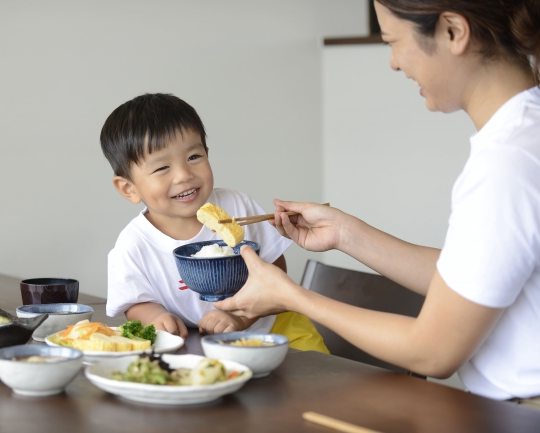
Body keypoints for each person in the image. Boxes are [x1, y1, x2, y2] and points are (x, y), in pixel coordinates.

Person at [215, 0, 540, 407]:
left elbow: (432, 352)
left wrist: (292, 296)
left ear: (453, 31)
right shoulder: (523, 137)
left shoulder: (509, 161)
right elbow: (473, 278)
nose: (393, 62)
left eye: (394, 41)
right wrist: (346, 234)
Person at [99, 93, 328, 353]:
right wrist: (154, 318)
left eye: (194, 157)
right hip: (198, 344)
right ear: (129, 189)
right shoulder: (133, 244)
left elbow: (275, 271)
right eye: (162, 168)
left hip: (275, 328)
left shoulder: (236, 205)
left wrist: (241, 318)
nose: (184, 175)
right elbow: (135, 302)